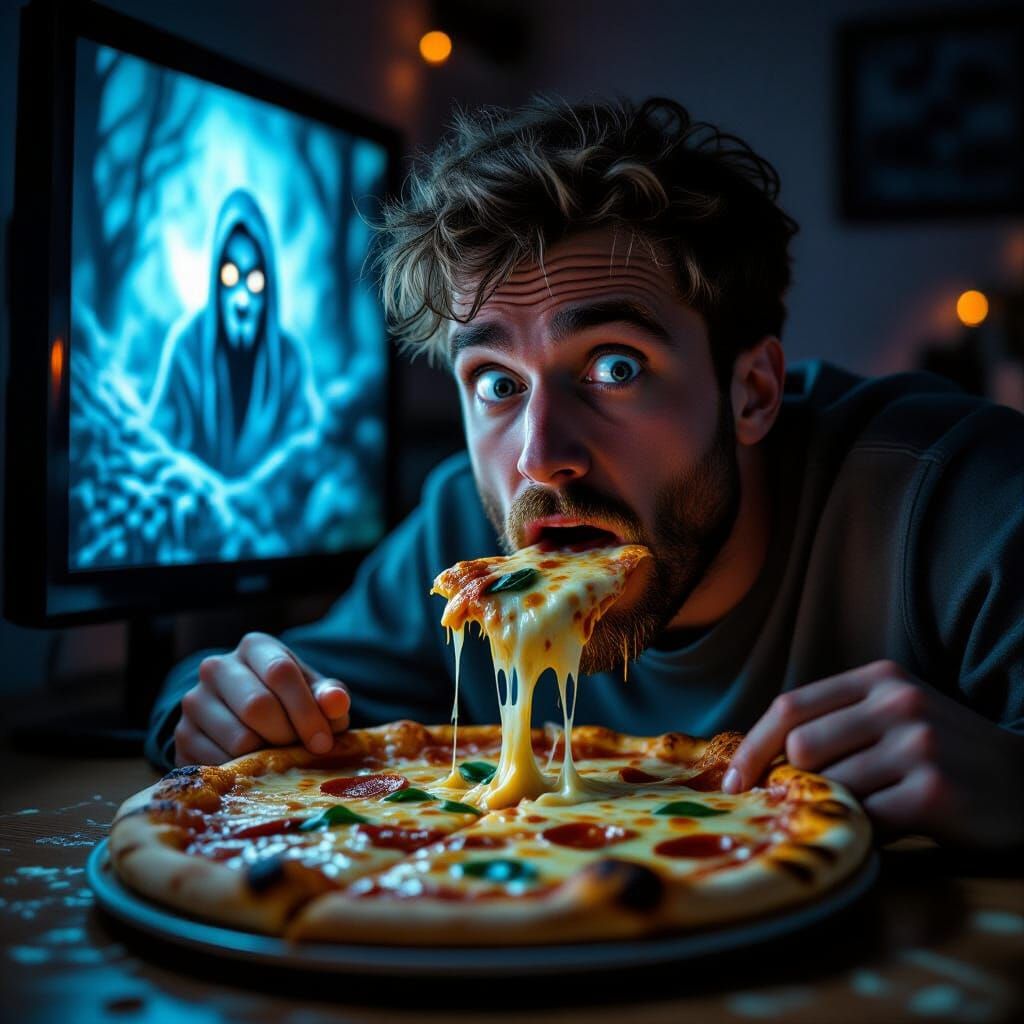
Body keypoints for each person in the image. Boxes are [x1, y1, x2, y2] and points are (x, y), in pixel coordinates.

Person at [147, 98, 1024, 850]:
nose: (540, 456)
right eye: (497, 383)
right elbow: (249, 687)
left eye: (614, 367)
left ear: (752, 392)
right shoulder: (468, 527)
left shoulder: (958, 496)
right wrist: (226, 705)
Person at [147, 188, 320, 478]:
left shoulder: (290, 360)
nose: (242, 299)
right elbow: (155, 448)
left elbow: (308, 454)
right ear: (216, 281)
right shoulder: (186, 348)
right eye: (231, 276)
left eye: (254, 280)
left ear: (268, 285)